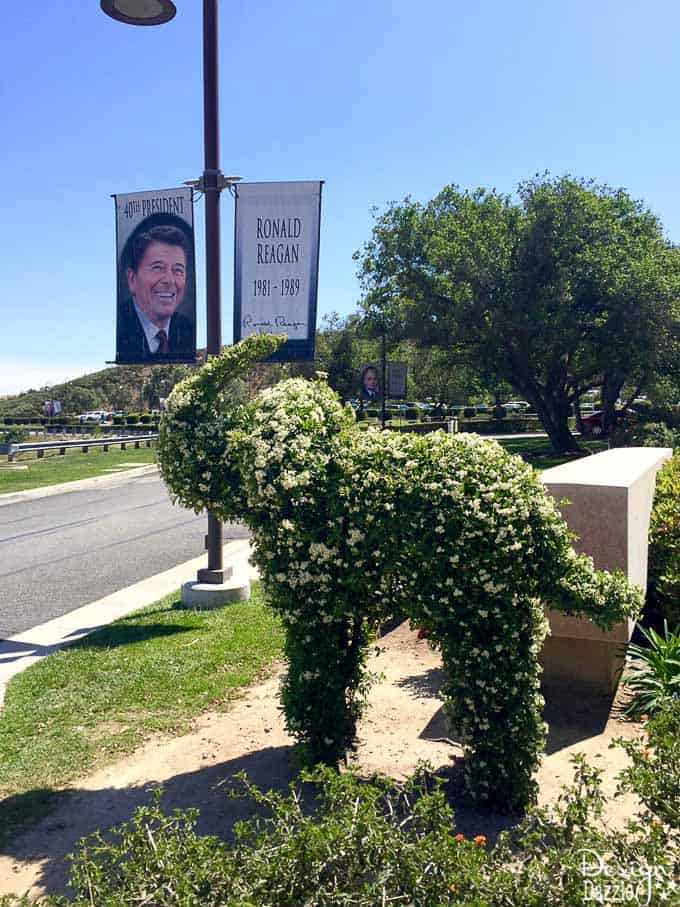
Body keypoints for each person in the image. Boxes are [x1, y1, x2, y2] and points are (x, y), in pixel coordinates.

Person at [116, 224, 195, 362]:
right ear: (132, 279)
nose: (169, 280)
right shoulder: (121, 327)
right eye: (157, 268)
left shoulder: (187, 328)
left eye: (178, 270)